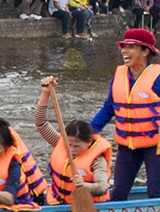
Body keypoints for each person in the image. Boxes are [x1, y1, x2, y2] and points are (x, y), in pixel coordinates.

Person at [90, 26, 160, 200]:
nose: (124, 51)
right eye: (123, 47)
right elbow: (109, 108)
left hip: (156, 144)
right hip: (127, 145)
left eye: (131, 47)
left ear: (145, 51)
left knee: (155, 193)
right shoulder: (119, 76)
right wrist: (89, 131)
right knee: (118, 193)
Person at [34, 75, 111, 204]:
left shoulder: (97, 161)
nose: (71, 149)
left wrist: (84, 185)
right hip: (58, 200)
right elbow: (40, 123)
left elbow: (101, 188)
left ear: (89, 143)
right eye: (69, 144)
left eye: (77, 146)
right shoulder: (60, 142)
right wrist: (45, 94)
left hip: (86, 205)